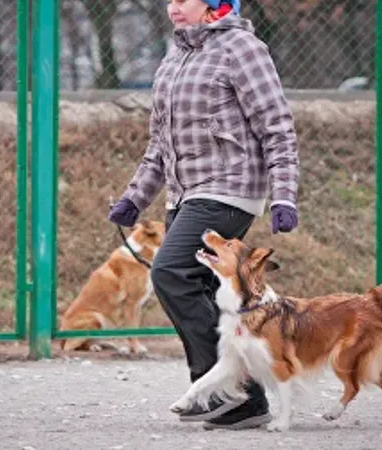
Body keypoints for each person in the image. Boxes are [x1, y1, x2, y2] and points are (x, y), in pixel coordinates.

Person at [108, 0, 300, 430]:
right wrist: (135, 198)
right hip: (184, 195)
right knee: (199, 288)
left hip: (230, 188)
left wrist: (284, 196)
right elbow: (160, 143)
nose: (173, 7)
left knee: (171, 272)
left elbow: (277, 126)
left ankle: (224, 391)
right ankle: (244, 399)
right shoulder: (175, 56)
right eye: (170, 0)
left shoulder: (242, 48)